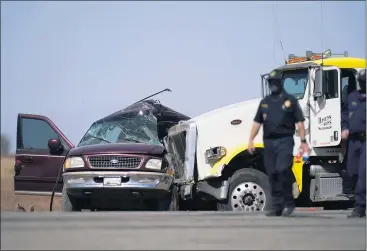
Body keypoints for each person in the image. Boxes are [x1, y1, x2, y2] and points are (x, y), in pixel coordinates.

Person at [248, 69, 309, 217]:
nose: (273, 85)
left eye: (275, 82)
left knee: (283, 169)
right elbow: (257, 123)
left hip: (285, 140)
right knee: (272, 173)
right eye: (271, 83)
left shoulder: (290, 101)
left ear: (280, 83)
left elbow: (300, 122)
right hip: (269, 142)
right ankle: (277, 206)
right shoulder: (265, 103)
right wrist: (251, 139)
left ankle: (289, 202)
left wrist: (303, 141)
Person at [341, 69, 366, 218]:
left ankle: (360, 207)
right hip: (353, 141)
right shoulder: (352, 97)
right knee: (352, 172)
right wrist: (344, 127)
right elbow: (344, 114)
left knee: (363, 173)